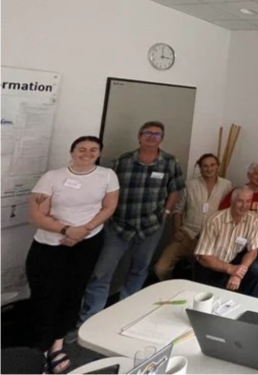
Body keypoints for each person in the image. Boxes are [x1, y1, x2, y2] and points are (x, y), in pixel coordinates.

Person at [25, 136, 119, 373]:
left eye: (93, 150)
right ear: (72, 152)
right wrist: (66, 229)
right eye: (81, 149)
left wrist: (82, 231)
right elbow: (36, 216)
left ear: (99, 153)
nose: (87, 153)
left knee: (72, 294)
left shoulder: (107, 175)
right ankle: (40, 349)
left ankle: (57, 344)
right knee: (45, 295)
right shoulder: (53, 177)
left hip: (87, 244)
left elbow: (108, 207)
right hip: (49, 247)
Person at [80, 121, 185, 324]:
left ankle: (126, 313)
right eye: (148, 133)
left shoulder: (170, 162)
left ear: (161, 139)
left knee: (139, 270)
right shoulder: (122, 161)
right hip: (119, 226)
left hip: (151, 227)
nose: (152, 137)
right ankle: (89, 318)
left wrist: (166, 212)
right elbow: (105, 188)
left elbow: (175, 189)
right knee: (101, 272)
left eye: (157, 135)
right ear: (139, 136)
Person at [154, 154, 231, 281]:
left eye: (212, 165)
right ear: (200, 168)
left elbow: (227, 211)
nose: (209, 169)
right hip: (187, 234)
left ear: (217, 166)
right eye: (205, 166)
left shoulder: (226, 185)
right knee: (161, 268)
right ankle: (169, 288)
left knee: (207, 274)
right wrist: (177, 230)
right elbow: (178, 210)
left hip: (210, 238)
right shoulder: (189, 185)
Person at [194, 187, 258, 297]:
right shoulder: (215, 221)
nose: (244, 206)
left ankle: (251, 304)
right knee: (217, 299)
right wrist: (230, 269)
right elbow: (203, 256)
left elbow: (253, 250)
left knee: (257, 268)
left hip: (232, 260)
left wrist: (238, 274)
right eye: (240, 201)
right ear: (232, 201)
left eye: (248, 201)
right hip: (211, 265)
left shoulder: (253, 219)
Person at [219, 162, 258, 247]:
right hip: (237, 239)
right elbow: (222, 212)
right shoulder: (238, 192)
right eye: (257, 174)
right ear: (249, 175)